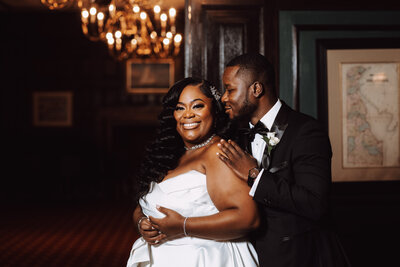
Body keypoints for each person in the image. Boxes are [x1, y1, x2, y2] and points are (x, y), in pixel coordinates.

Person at [142, 53, 352, 267]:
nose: (223, 97)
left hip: (299, 257)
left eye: (230, 89)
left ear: (256, 89)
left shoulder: (305, 131)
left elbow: (316, 204)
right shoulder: (234, 137)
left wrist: (255, 174)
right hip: (245, 255)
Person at [127, 77, 260, 267]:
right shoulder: (170, 155)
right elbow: (143, 206)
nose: (187, 114)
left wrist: (182, 226)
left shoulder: (218, 153)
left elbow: (248, 218)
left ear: (214, 110)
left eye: (197, 106)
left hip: (206, 259)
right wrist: (141, 223)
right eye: (180, 108)